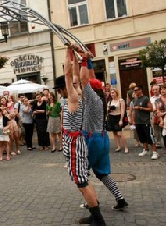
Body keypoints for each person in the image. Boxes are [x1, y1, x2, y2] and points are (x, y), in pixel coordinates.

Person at [56, 48, 106, 225]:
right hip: (78, 140)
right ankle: (95, 213)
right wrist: (79, 60)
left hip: (74, 142)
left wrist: (68, 52)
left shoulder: (72, 97)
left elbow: (68, 74)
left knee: (81, 182)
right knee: (83, 178)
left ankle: (99, 219)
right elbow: (75, 75)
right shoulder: (81, 93)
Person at [78, 51, 128, 219]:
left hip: (92, 140)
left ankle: (93, 202)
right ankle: (120, 198)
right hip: (102, 138)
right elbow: (91, 77)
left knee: (82, 174)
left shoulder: (91, 99)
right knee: (102, 173)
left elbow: (85, 79)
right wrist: (89, 61)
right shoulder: (101, 97)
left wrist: (84, 60)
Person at [132, 85, 159, 160]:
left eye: (136, 90)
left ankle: (155, 152)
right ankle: (145, 149)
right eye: (134, 90)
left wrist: (141, 108)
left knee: (149, 137)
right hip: (138, 121)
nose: (135, 92)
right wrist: (133, 120)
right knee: (142, 137)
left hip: (145, 121)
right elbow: (134, 111)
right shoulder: (135, 99)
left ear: (140, 90)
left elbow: (151, 109)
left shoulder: (145, 98)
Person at [107, 89, 129, 153]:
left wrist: (121, 120)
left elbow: (122, 111)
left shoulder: (121, 100)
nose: (112, 94)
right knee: (114, 133)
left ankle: (126, 147)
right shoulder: (110, 101)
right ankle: (118, 146)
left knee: (119, 133)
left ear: (116, 93)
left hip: (118, 117)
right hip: (111, 117)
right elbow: (107, 110)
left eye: (113, 93)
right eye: (111, 93)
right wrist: (109, 109)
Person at [155, 85, 166, 151]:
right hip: (164, 118)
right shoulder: (158, 100)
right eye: (161, 89)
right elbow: (158, 112)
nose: (162, 90)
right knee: (165, 134)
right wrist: (161, 120)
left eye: (164, 89)